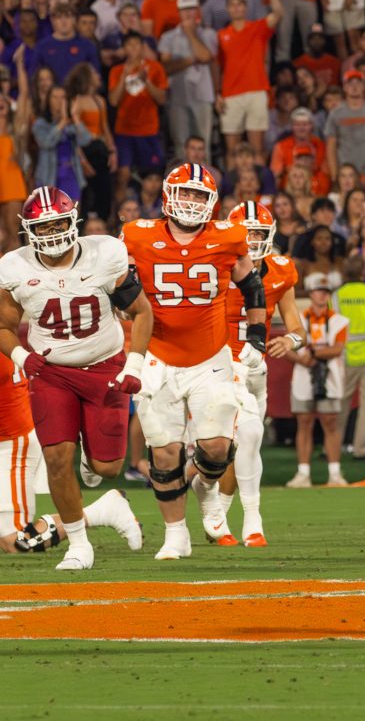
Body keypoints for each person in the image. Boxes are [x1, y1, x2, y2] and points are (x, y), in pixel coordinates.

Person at [122, 164, 267, 560]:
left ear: (212, 202)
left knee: (218, 447)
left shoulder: (228, 236)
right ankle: (175, 534)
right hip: (158, 356)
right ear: (169, 196)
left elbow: (251, 285)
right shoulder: (137, 235)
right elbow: (117, 284)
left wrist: (256, 335)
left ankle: (205, 485)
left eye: (199, 195)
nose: (191, 201)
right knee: (164, 452)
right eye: (185, 193)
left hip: (210, 357)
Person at [0, 187, 149, 569]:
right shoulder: (15, 266)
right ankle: (79, 545)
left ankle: (97, 474)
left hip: (104, 365)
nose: (50, 234)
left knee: (107, 469)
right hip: (52, 373)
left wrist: (133, 365)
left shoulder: (103, 254)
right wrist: (21, 355)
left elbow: (142, 312)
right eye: (42, 227)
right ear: (28, 229)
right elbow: (3, 325)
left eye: (57, 224)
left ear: (73, 221)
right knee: (56, 458)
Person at [206, 201, 306, 546]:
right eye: (246, 232)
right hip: (216, 365)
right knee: (230, 444)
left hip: (254, 366)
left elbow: (297, 327)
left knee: (248, 442)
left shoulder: (280, 269)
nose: (252, 239)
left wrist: (290, 341)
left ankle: (219, 514)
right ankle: (250, 519)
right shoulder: (213, 265)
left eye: (258, 233)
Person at [286, 272, 349, 487]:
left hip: (329, 376)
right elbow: (289, 349)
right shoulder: (299, 319)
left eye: (325, 292)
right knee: (303, 422)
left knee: (330, 423)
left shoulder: (339, 320)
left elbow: (337, 349)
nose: (322, 295)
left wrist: (310, 354)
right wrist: (303, 358)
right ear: (311, 293)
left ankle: (335, 473)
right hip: (304, 375)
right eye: (318, 291)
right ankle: (303, 473)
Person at [217, 0, 283, 164]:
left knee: (257, 149)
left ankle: (261, 190)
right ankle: (231, 190)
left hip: (256, 90)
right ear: (228, 8)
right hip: (230, 94)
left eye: (239, 4)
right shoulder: (222, 35)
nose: (236, 8)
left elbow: (278, 13)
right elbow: (218, 67)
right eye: (232, 4)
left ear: (245, 7)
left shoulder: (258, 28)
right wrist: (218, 94)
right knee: (232, 150)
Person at [332, 255, 365, 462]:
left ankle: (333, 447)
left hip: (343, 356)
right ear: (364, 271)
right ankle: (362, 450)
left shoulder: (335, 296)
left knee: (340, 405)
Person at [159, 0, 217, 161]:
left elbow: (206, 57)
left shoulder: (208, 34)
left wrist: (191, 34)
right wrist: (191, 59)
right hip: (178, 96)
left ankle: (205, 185)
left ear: (197, 11)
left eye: (191, 9)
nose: (188, 14)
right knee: (180, 144)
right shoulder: (168, 37)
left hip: (203, 95)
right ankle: (182, 184)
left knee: (203, 145)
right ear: (179, 12)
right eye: (184, 10)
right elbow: (166, 67)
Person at [325, 70, 365, 187]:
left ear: (364, 86)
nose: (354, 87)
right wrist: (335, 175)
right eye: (350, 83)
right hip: (345, 175)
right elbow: (331, 146)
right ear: (344, 87)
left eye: (358, 83)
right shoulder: (336, 113)